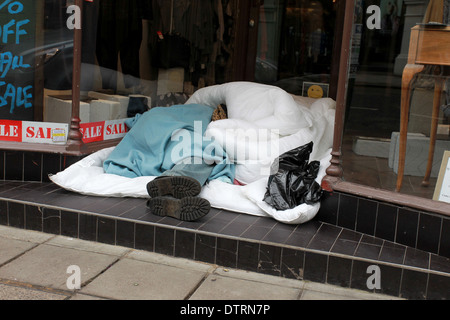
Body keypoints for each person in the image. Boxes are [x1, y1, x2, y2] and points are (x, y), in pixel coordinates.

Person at [103, 103, 234, 221]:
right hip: (168, 130)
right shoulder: (210, 114)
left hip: (146, 128)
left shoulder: (186, 108)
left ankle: (168, 199)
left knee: (196, 151)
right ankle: (175, 176)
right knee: (207, 154)